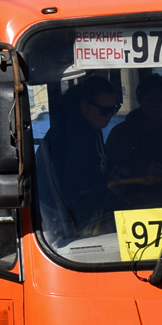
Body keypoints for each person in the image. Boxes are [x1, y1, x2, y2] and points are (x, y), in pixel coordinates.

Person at [39, 73, 120, 235]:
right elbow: (73, 190)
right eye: (105, 111)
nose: (110, 116)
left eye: (114, 109)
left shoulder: (93, 129)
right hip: (66, 223)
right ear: (84, 106)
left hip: (86, 214)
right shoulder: (66, 138)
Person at [105, 72, 162, 208]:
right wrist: (141, 170)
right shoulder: (121, 134)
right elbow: (111, 176)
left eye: (161, 99)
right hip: (132, 205)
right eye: (150, 100)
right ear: (139, 100)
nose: (156, 105)